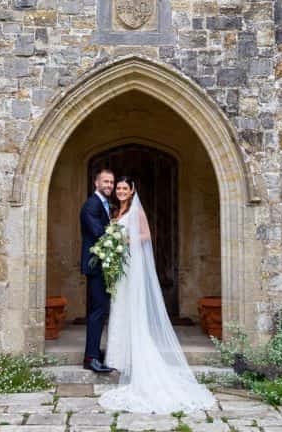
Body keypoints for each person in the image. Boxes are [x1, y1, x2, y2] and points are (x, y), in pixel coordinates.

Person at [98, 177, 215, 414]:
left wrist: (123, 239)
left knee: (131, 309)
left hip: (131, 268)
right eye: (118, 188)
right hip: (120, 268)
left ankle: (135, 359)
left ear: (132, 191)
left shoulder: (135, 212)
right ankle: (118, 359)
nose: (120, 191)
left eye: (124, 188)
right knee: (119, 308)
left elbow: (145, 236)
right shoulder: (115, 211)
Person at [79, 167, 115, 374]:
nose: (109, 185)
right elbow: (99, 233)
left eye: (111, 182)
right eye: (105, 182)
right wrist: (121, 237)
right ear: (96, 183)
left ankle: (94, 352)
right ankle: (90, 357)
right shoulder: (91, 205)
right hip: (96, 266)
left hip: (102, 265)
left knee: (101, 311)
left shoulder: (103, 204)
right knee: (97, 311)